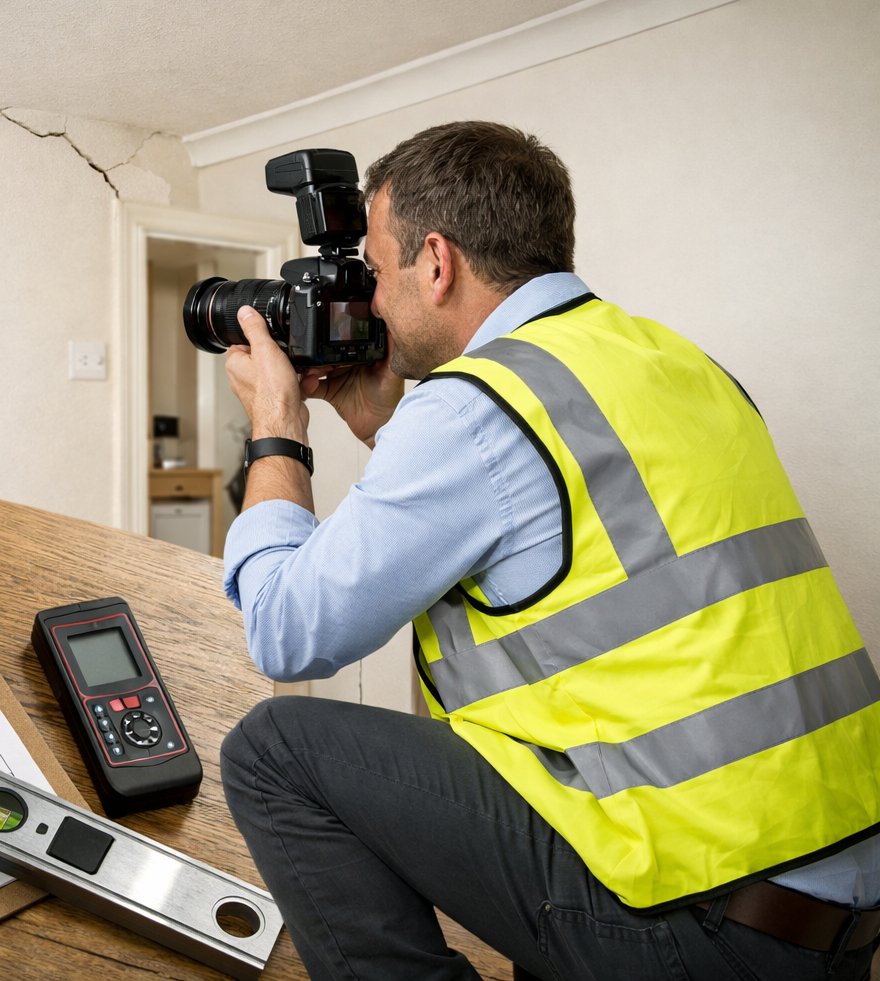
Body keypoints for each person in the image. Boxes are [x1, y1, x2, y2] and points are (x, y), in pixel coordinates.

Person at [216, 121, 880, 981]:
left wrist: (278, 430)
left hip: (700, 917)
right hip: (832, 905)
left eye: (377, 272)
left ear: (438, 262)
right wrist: (383, 427)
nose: (370, 302)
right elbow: (554, 524)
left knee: (275, 749)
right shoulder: (677, 362)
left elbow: (285, 631)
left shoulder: (469, 409)